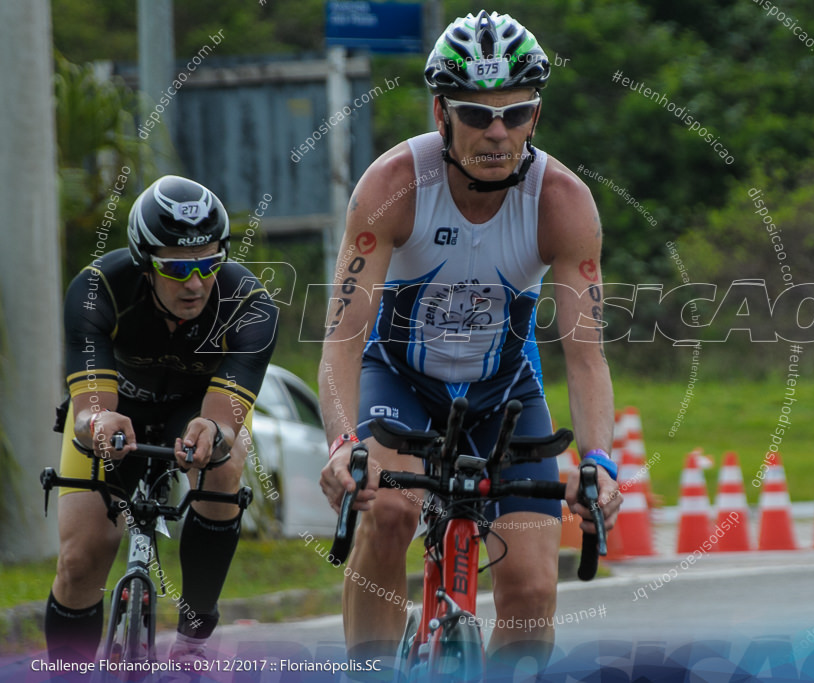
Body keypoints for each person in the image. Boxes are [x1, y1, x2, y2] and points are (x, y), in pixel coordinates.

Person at [318, 9, 621, 670]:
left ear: (534, 118)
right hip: (399, 380)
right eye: (476, 113)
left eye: (515, 114)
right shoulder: (392, 186)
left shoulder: (562, 201)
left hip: (503, 393)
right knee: (392, 508)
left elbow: (586, 353)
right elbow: (342, 339)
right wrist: (344, 445)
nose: (496, 131)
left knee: (534, 589)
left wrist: (601, 461)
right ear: (440, 113)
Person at [46, 175, 278, 663]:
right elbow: (90, 411)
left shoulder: (248, 302)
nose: (194, 284)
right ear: (144, 261)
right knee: (80, 559)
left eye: (208, 264)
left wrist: (213, 432)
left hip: (195, 413)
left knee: (225, 460)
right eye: (176, 269)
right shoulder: (98, 289)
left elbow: (224, 423)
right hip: (115, 409)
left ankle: (193, 641)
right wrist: (96, 425)